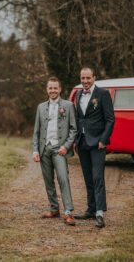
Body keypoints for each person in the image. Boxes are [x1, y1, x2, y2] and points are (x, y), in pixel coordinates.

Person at [32, 77, 77, 226]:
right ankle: (54, 208)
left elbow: (73, 129)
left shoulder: (68, 105)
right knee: (48, 180)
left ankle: (68, 212)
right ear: (47, 89)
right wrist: (35, 150)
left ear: (60, 89)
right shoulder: (40, 107)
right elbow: (36, 131)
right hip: (44, 149)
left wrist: (66, 146)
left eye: (55, 88)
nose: (52, 91)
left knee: (63, 178)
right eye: (50, 88)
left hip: (59, 149)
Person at [74, 67, 115, 228]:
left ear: (94, 78)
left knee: (98, 178)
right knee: (88, 177)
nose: (85, 81)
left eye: (88, 78)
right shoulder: (77, 94)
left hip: (98, 143)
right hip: (82, 142)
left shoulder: (103, 94)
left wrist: (104, 140)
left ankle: (99, 213)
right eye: (82, 78)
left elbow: (110, 119)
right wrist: (76, 140)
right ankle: (90, 209)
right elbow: (79, 119)